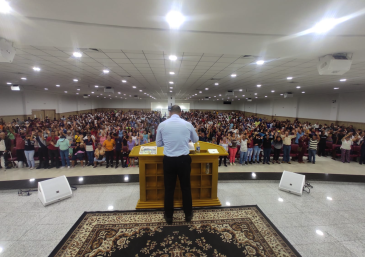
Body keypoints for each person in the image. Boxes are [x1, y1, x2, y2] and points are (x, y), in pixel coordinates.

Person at [156, 105, 199, 224]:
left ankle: (169, 216)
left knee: (169, 189)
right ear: (181, 113)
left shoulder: (162, 124)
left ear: (169, 113)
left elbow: (158, 144)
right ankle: (188, 215)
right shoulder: (187, 124)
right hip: (183, 160)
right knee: (186, 187)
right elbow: (195, 140)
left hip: (169, 160)